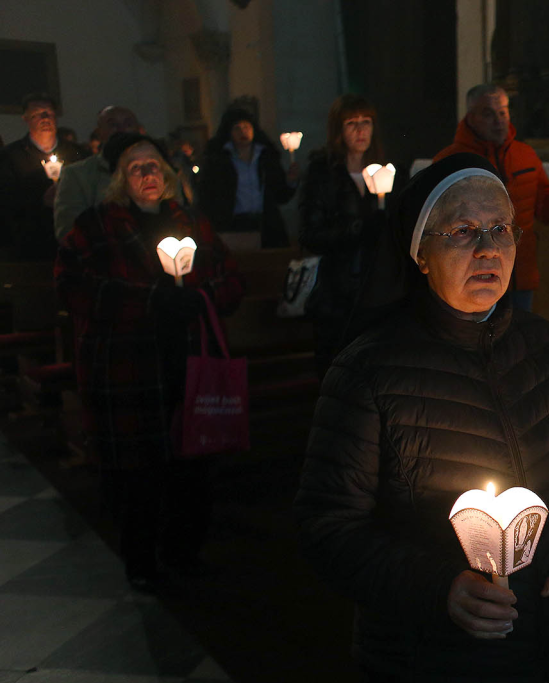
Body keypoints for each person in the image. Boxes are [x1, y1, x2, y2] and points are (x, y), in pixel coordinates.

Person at [294, 153, 549, 683]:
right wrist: (438, 587)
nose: (488, 249)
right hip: (433, 674)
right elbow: (327, 525)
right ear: (420, 254)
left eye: (501, 229)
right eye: (464, 231)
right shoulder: (369, 371)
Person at [54, 133, 245, 593]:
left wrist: (201, 297)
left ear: (169, 174)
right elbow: (72, 286)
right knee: (138, 474)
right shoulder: (96, 225)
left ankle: (185, 552)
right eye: (136, 167)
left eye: (154, 164)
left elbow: (231, 279)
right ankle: (141, 561)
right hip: (130, 367)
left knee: (191, 468)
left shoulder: (190, 221)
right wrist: (148, 301)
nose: (147, 174)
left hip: (187, 363)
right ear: (120, 178)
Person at [433, 84, 549, 311]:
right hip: (472, 275)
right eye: (488, 114)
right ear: (471, 117)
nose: (498, 121)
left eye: (502, 112)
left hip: (520, 274)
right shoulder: (451, 160)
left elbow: (548, 213)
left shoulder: (525, 156)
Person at [298, 94, 389, 377]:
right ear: (339, 129)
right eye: (352, 123)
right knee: (337, 369)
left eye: (366, 122)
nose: (361, 130)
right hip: (336, 291)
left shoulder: (383, 170)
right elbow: (309, 234)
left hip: (374, 287)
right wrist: (358, 229)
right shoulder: (323, 173)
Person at [0, 92, 87, 258]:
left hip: (74, 240)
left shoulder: (77, 153)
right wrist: (40, 201)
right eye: (37, 114)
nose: (45, 119)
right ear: (26, 118)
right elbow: (6, 200)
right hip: (30, 243)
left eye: (49, 113)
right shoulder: (9, 156)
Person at [197, 107, 300, 248]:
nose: (243, 132)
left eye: (246, 127)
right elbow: (208, 195)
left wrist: (290, 181)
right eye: (237, 128)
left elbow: (280, 195)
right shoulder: (219, 161)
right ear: (229, 132)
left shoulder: (266, 157)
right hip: (234, 226)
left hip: (267, 225)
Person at [54, 105, 144, 239]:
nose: (121, 130)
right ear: (99, 132)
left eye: (128, 124)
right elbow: (68, 230)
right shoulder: (77, 174)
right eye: (113, 125)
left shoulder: (156, 169)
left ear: (138, 130)